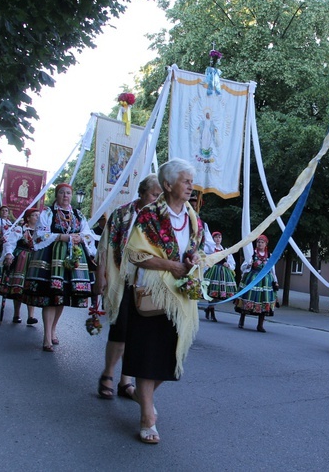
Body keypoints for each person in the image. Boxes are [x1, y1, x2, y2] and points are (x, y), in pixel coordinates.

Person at [121, 158, 206, 444]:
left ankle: (142, 397)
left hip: (180, 296)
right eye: (185, 181)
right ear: (168, 185)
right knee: (148, 355)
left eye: (191, 181)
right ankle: (147, 416)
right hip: (153, 293)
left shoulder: (193, 217)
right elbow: (135, 254)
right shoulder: (149, 216)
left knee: (169, 357)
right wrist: (171, 266)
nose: (190, 186)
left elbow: (195, 248)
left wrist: (193, 258)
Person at [94, 174, 161, 401]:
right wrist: (100, 275)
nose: (157, 199)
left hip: (148, 283)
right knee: (120, 329)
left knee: (139, 334)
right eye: (154, 194)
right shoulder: (122, 214)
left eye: (161, 196)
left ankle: (126, 381)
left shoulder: (162, 219)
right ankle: (108, 374)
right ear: (142, 193)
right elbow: (105, 245)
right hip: (121, 280)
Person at [23, 183, 96, 352]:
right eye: (62, 193)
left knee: (62, 295)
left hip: (72, 256)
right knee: (51, 295)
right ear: (56, 195)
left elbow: (87, 232)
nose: (65, 196)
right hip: (52, 256)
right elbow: (40, 234)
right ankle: (47, 336)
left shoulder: (77, 214)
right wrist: (63, 237)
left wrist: (80, 237)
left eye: (68, 193)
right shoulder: (48, 212)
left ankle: (54, 329)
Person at [0, 208, 39, 325]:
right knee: (19, 288)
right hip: (21, 259)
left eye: (38, 215)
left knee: (32, 287)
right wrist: (9, 254)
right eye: (35, 215)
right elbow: (10, 242)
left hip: (34, 260)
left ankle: (31, 316)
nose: (37, 218)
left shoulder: (41, 231)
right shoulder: (20, 229)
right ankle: (17, 314)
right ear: (28, 218)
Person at [235, 235, 278, 333]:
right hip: (253, 278)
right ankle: (242, 319)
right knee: (249, 298)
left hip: (265, 280)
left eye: (262, 242)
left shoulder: (269, 256)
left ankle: (260, 325)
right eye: (258, 242)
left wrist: (275, 281)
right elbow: (243, 267)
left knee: (264, 301)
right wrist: (248, 265)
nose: (260, 244)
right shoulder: (252, 254)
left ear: (266, 244)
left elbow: (272, 270)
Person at [203, 231, 237, 321]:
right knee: (212, 292)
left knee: (219, 295)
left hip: (222, 274)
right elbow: (205, 259)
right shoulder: (209, 249)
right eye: (216, 237)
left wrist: (228, 265)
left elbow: (232, 262)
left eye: (219, 237)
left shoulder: (225, 250)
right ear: (213, 239)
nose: (218, 239)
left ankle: (209, 309)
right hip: (212, 272)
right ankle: (212, 313)